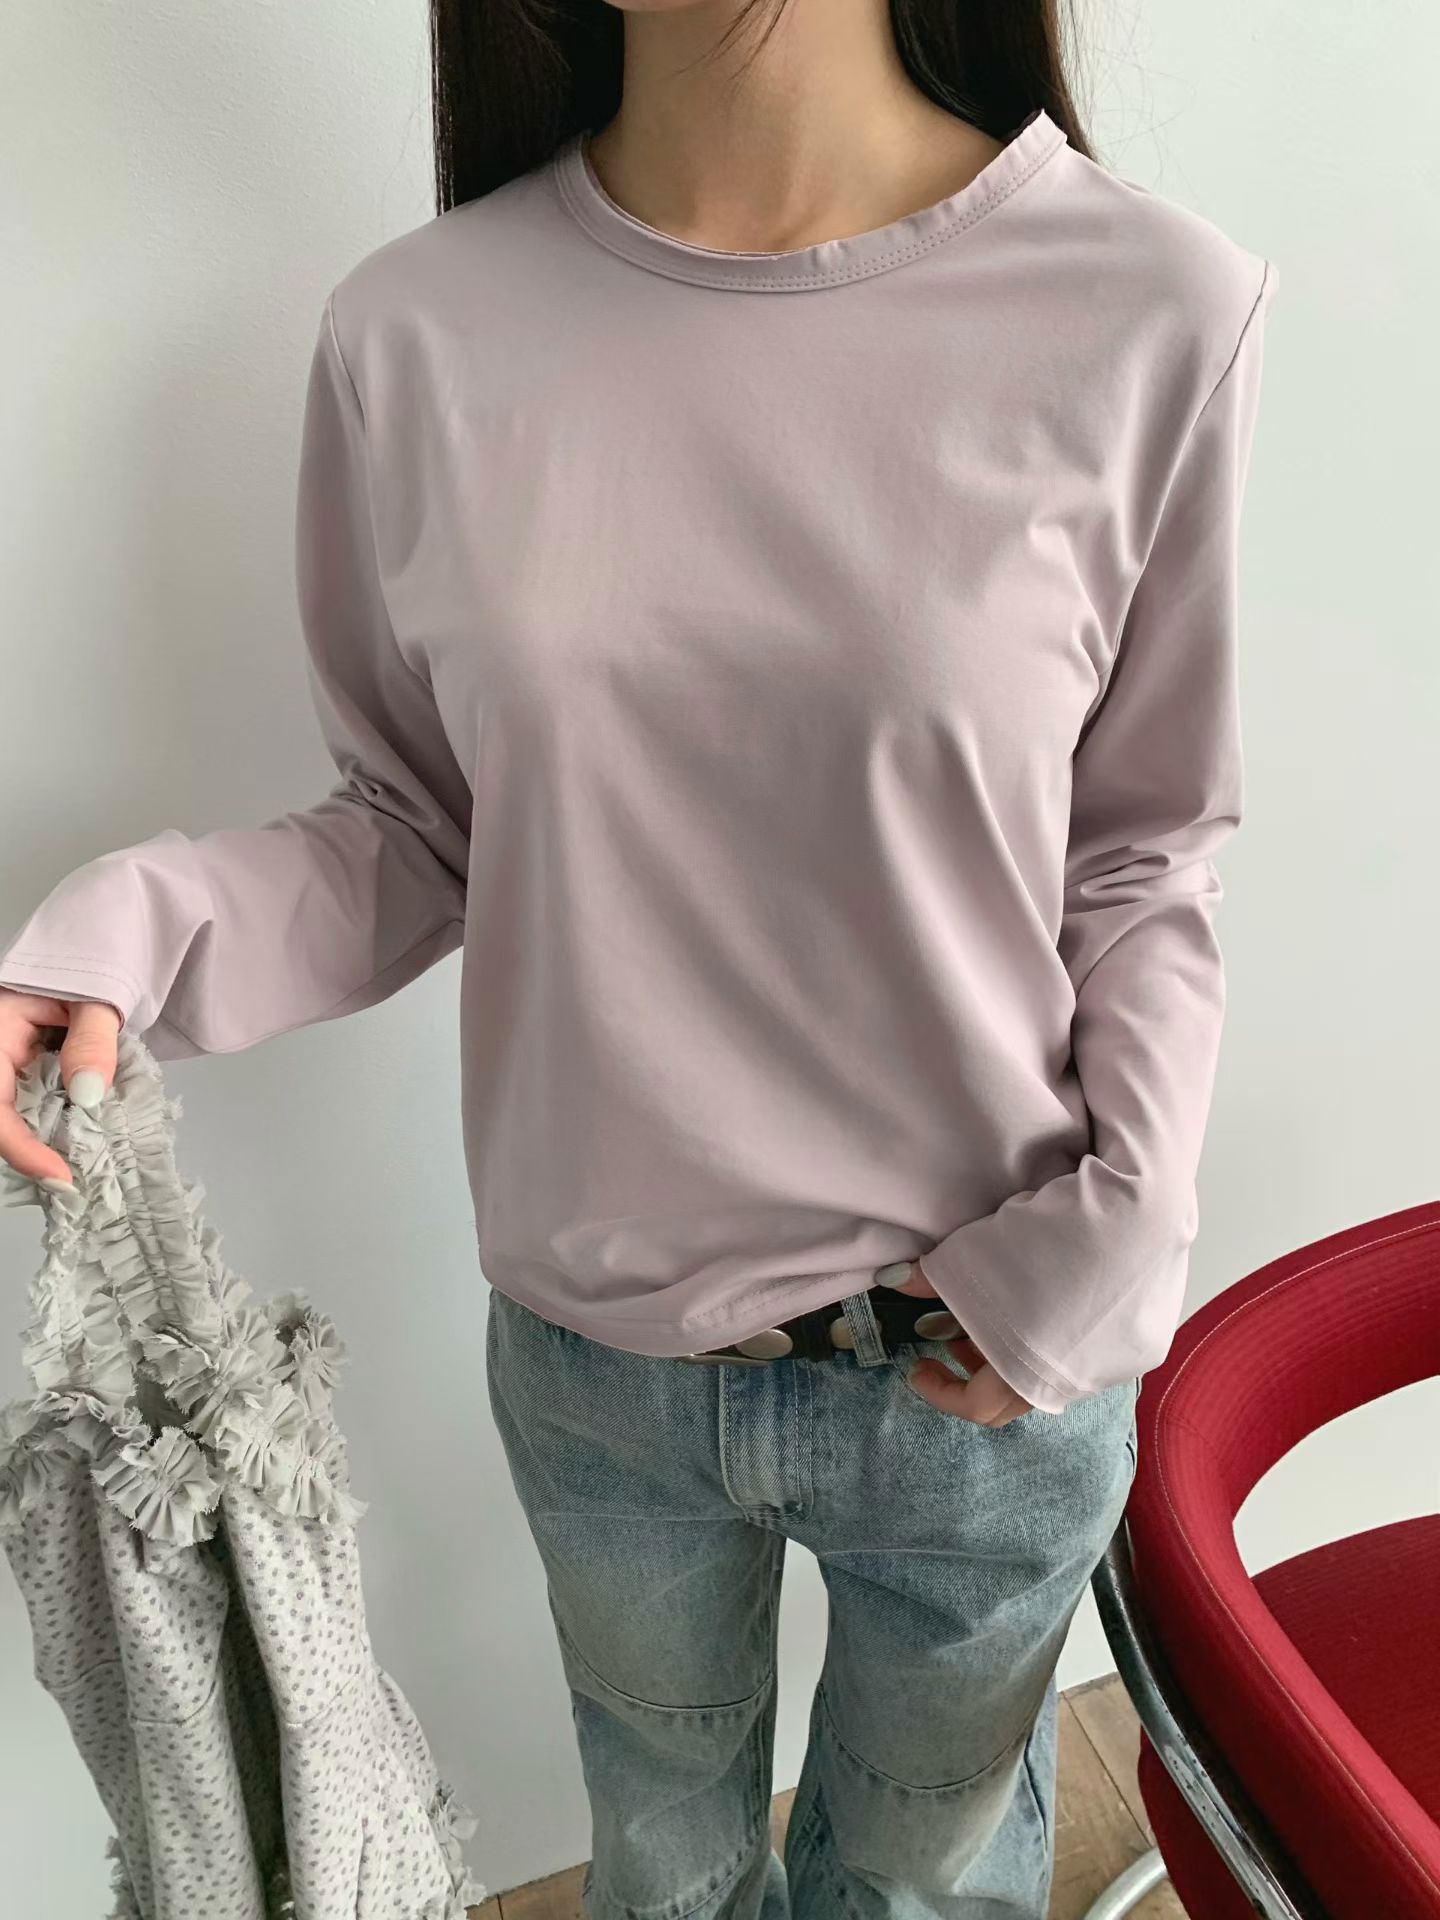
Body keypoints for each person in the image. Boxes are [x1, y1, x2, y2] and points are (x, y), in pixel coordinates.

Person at [0, 0, 1279, 1913]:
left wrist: (1120, 1233)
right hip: (603, 1365)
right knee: (664, 1865)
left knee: (927, 1883)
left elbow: (1148, 847)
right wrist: (126, 932)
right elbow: (414, 830)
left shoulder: (1151, 305)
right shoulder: (415, 332)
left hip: (988, 1343)